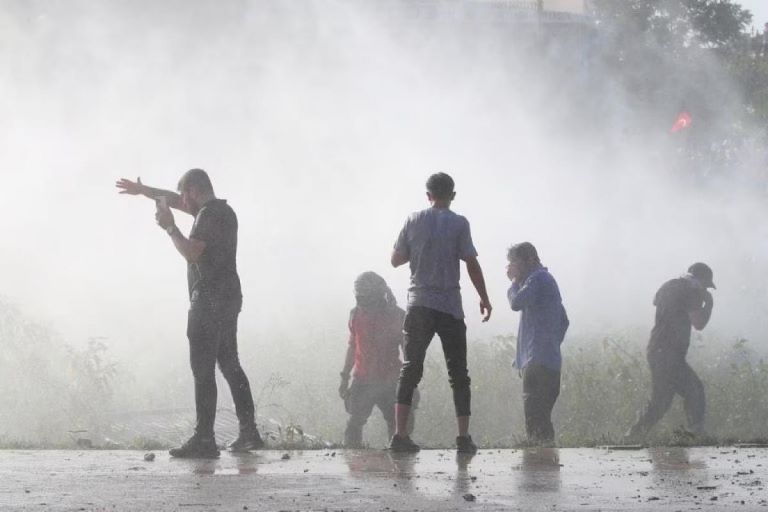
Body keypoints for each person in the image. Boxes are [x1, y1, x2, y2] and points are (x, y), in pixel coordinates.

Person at [116, 170, 263, 458]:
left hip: (208, 300)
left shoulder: (209, 216)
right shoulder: (220, 211)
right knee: (230, 363)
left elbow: (192, 252)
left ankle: (205, 439)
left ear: (195, 190)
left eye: (185, 195)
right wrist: (144, 191)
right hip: (228, 297)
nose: (181, 203)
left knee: (203, 369)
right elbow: (172, 200)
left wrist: (170, 228)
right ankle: (249, 432)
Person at [389, 172, 492, 453]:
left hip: (419, 304)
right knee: (458, 373)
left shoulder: (413, 220)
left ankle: (400, 435)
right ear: (453, 195)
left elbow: (396, 260)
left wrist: (420, 250)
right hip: (449, 307)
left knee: (410, 369)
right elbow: (471, 262)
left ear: (428, 195)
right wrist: (484, 298)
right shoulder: (459, 223)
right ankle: (462, 437)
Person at [626, 262, 716, 441]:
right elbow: (698, 323)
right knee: (694, 390)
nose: (706, 289)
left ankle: (632, 436)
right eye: (706, 285)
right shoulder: (693, 290)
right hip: (670, 353)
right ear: (701, 280)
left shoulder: (669, 286)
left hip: (656, 350)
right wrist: (709, 305)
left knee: (660, 403)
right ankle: (696, 433)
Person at [339, 271, 414, 447]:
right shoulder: (355, 314)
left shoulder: (397, 316)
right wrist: (344, 377)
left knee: (397, 424)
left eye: (366, 297)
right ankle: (353, 462)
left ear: (378, 294)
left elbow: (407, 350)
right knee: (355, 423)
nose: (362, 301)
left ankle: (398, 456)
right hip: (363, 379)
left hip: (390, 379)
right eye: (359, 296)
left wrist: (410, 382)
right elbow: (352, 346)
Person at [506, 242, 569, 445]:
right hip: (548, 361)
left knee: (535, 422)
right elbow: (564, 321)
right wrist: (550, 344)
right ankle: (545, 469)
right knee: (541, 420)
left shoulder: (537, 278)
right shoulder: (545, 280)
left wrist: (514, 282)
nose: (511, 268)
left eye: (514, 263)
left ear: (530, 260)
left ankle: (538, 470)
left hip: (538, 361)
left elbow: (516, 303)